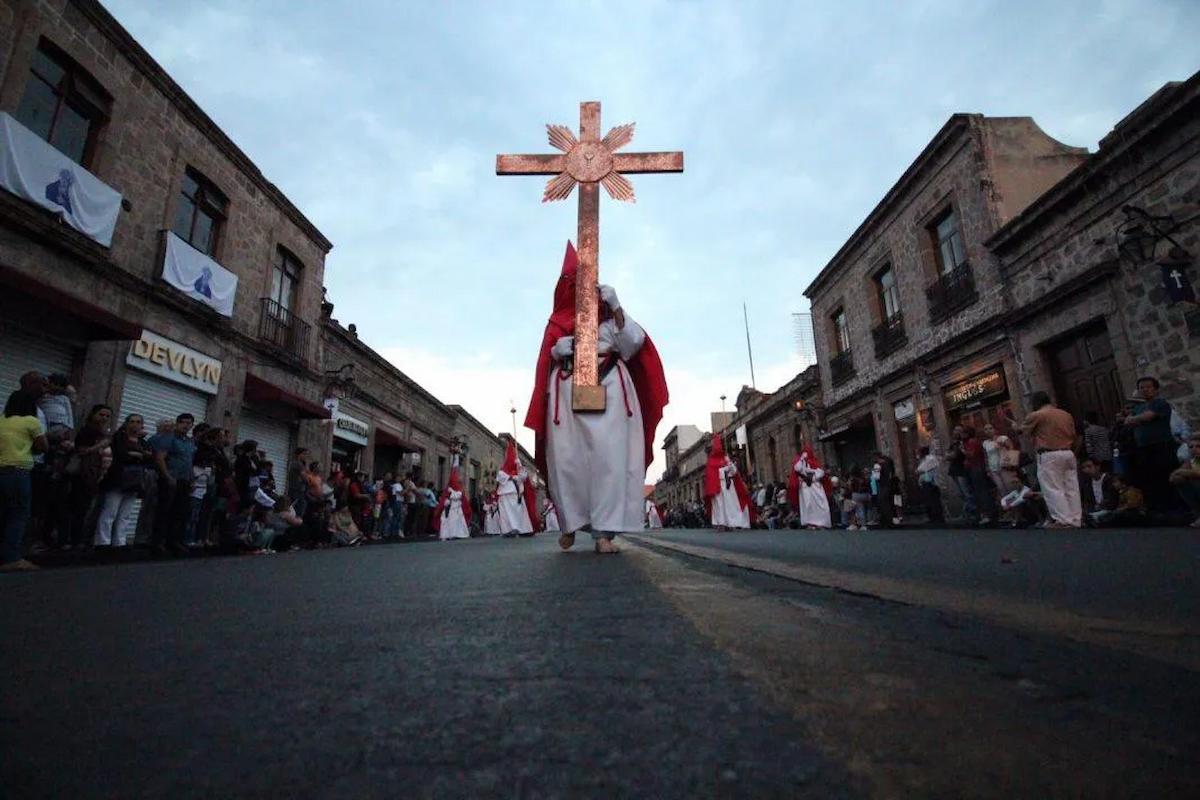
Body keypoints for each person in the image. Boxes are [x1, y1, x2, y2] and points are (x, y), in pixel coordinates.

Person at [524, 241, 668, 554]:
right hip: (567, 393)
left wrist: (617, 307)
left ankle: (603, 532)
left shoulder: (611, 321)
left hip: (611, 393)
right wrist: (555, 353)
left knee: (608, 461)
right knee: (568, 461)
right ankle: (570, 524)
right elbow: (543, 370)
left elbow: (633, 344)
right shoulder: (556, 326)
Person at [0, 391, 48, 571]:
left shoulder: (2, 420)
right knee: (18, 514)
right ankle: (12, 558)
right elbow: (43, 446)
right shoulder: (31, 421)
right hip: (18, 471)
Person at [1019, 391, 1080, 528]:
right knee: (1071, 487)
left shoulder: (1037, 415)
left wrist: (1016, 427)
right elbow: (1074, 434)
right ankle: (1075, 519)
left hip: (1049, 454)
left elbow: (1023, 431)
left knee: (1053, 488)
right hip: (1068, 452)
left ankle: (1063, 520)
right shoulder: (1066, 415)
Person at [1123, 377, 1181, 514]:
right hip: (1143, 447)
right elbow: (1128, 422)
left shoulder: (1160, 403)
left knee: (1165, 475)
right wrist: (1135, 419)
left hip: (1161, 445)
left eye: (1148, 387)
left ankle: (1174, 508)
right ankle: (1157, 508)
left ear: (1155, 389)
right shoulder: (1138, 407)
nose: (1144, 390)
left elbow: (1148, 416)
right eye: (1141, 388)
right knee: (1150, 478)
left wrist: (1135, 419)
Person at [150, 413, 196, 555]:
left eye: (189, 423)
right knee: (164, 511)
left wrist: (192, 478)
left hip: (185, 480)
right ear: (177, 423)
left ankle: (174, 540)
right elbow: (160, 458)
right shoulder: (169, 438)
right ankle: (158, 542)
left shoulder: (189, 442)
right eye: (183, 422)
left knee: (180, 512)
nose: (186, 425)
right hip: (171, 478)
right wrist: (167, 476)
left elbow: (189, 461)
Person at [705, 436, 751, 531]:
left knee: (731, 504)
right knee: (719, 505)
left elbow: (734, 472)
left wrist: (730, 465)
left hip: (728, 485)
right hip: (717, 486)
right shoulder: (711, 461)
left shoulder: (726, 459)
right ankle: (721, 523)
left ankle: (732, 523)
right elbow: (710, 476)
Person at [495, 439, 538, 538]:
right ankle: (509, 530)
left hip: (516, 494)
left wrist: (520, 466)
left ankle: (523, 529)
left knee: (519, 512)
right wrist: (512, 477)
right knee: (506, 514)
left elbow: (523, 477)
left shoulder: (518, 469)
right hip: (505, 494)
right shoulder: (502, 471)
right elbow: (500, 477)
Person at [788, 444, 832, 529]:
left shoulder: (814, 462)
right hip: (806, 488)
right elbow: (798, 468)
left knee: (820, 504)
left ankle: (822, 522)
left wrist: (813, 477)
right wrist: (801, 459)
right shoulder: (801, 462)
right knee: (808, 505)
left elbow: (820, 473)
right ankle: (810, 522)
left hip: (815, 486)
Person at [1168, 434, 1200, 527]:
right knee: (1179, 481)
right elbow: (1172, 477)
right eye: (1191, 447)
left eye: (1198, 446)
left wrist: (1182, 472)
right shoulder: (1192, 461)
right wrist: (1180, 473)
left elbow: (1197, 473)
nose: (1194, 449)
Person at [432, 468, 471, 541]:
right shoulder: (448, 489)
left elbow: (458, 496)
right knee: (446, 521)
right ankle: (446, 534)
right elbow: (445, 497)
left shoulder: (458, 490)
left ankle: (457, 533)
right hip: (448, 508)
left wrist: (452, 493)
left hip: (456, 508)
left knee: (455, 521)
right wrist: (446, 502)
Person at [946, 427, 975, 523]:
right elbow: (947, 456)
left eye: (959, 431)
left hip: (962, 470)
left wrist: (952, 455)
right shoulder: (953, 443)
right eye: (955, 430)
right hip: (954, 470)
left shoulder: (963, 443)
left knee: (966, 492)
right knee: (960, 493)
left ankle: (971, 512)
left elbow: (954, 455)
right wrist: (951, 455)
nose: (956, 432)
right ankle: (967, 512)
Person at [916, 446, 944, 524]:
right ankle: (932, 517)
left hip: (931, 483)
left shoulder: (930, 459)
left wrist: (919, 471)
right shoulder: (924, 459)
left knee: (933, 501)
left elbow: (920, 470)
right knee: (928, 501)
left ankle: (937, 518)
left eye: (918, 452)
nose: (917, 454)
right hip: (926, 482)